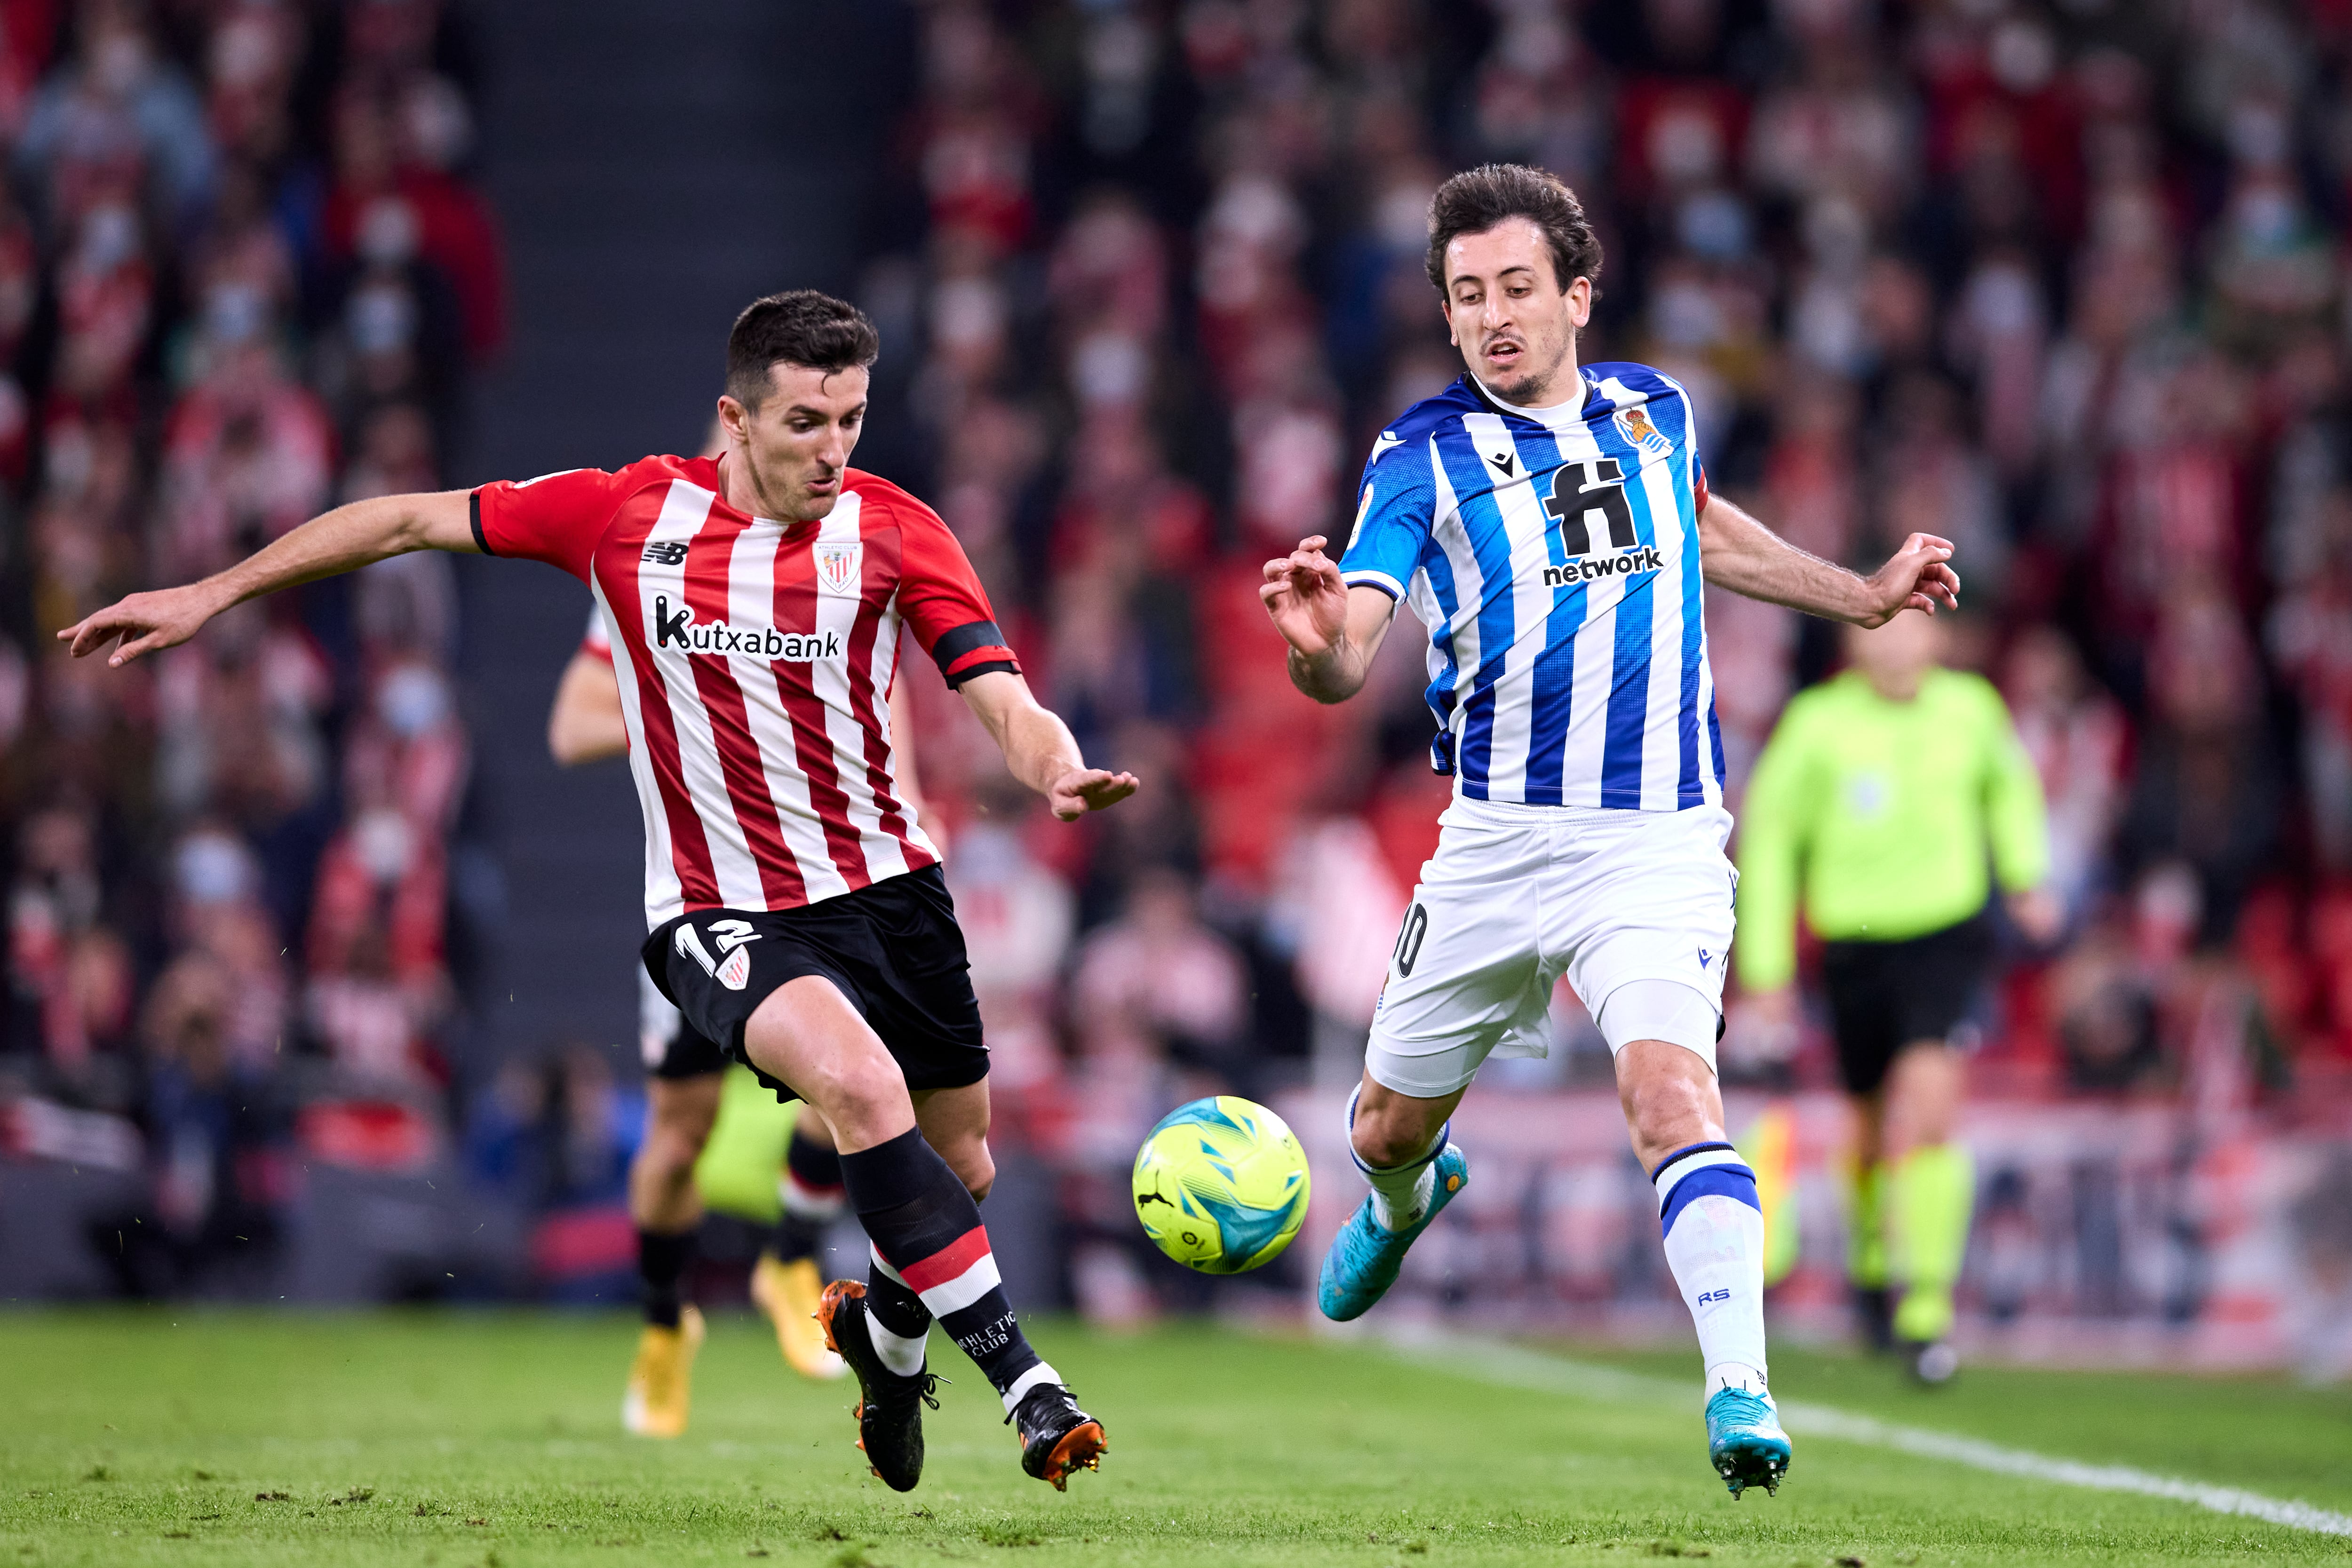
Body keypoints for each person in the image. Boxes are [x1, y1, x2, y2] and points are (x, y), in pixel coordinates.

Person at [61, 289, 1137, 1494]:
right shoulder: (628, 513)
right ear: (734, 419)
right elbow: (411, 517)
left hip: (892, 891)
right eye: (802, 423)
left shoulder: (896, 530)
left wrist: (1053, 770)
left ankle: (887, 1356)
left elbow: (997, 689)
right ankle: (1029, 1385)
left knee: (963, 1166)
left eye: (850, 420)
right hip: (718, 908)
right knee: (856, 1082)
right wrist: (209, 594)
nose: (832, 451)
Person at [1258, 164, 1961, 1499]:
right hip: (1496, 843)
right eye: (1468, 296)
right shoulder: (1419, 453)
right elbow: (1350, 646)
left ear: (1579, 294)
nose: (1494, 316)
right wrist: (1312, 653)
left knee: (1672, 1093)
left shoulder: (1655, 405)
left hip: (1656, 841)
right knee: (1387, 1123)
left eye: (1518, 287)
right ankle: (1408, 1200)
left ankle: (1739, 1386)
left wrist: (1859, 597)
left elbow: (1697, 525)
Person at [550, 603, 897, 1433]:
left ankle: (790, 1255)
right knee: (678, 1141)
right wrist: (704, 718)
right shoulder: (651, 568)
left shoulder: (835, 567)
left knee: (857, 1072)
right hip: (702, 902)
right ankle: (666, 1326)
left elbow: (889, 709)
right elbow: (572, 725)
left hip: (816, 895)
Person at [1734, 612, 2058, 1383]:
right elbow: (1772, 842)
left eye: (1914, 629)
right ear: (1855, 641)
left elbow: (2010, 792)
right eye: (1882, 629)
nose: (1898, 645)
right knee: (1869, 1122)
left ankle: (1928, 1307)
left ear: (1938, 640)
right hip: (1854, 945)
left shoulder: (1971, 710)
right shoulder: (1817, 725)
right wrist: (1770, 971)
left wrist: (2025, 874)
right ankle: (1875, 1258)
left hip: (1945, 936)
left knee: (1931, 1102)